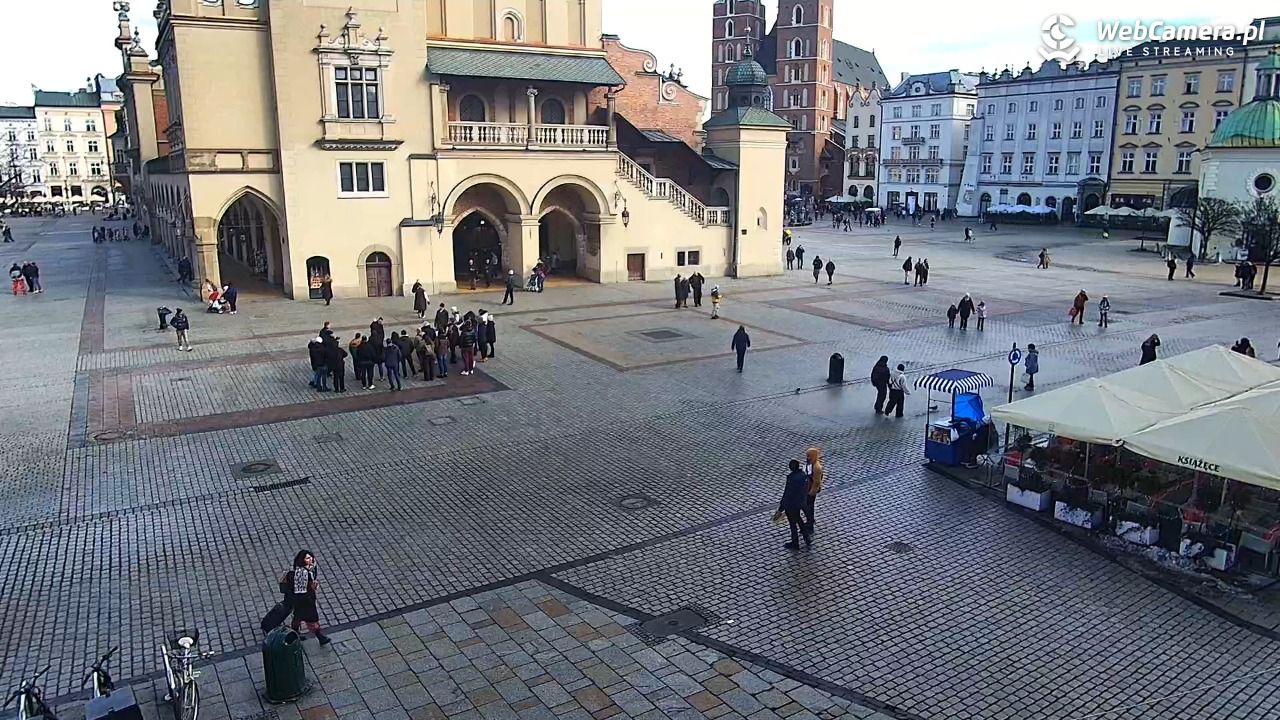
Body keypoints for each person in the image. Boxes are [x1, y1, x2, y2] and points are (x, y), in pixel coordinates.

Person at [283, 551, 330, 645]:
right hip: (304, 600)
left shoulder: (303, 570)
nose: (311, 560)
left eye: (311, 557)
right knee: (311, 619)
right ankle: (320, 637)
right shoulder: (303, 574)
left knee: (297, 618)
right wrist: (312, 592)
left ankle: (294, 635)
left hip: (299, 599)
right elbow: (303, 589)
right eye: (307, 558)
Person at [773, 459, 812, 550]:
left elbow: (787, 494)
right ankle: (807, 538)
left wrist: (780, 509)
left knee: (793, 524)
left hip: (791, 505)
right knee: (799, 520)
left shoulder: (791, 478)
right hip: (800, 502)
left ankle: (795, 543)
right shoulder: (803, 475)